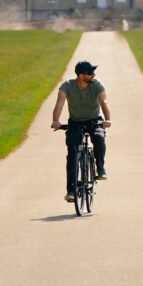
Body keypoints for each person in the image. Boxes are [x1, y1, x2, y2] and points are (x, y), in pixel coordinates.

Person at [51, 60, 112, 203]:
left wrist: (107, 119)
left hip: (94, 121)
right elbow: (59, 103)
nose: (93, 75)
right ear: (80, 76)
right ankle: (71, 191)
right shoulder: (67, 86)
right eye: (90, 73)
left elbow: (104, 102)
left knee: (98, 138)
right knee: (72, 153)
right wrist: (56, 120)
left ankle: (100, 168)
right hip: (75, 123)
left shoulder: (97, 84)